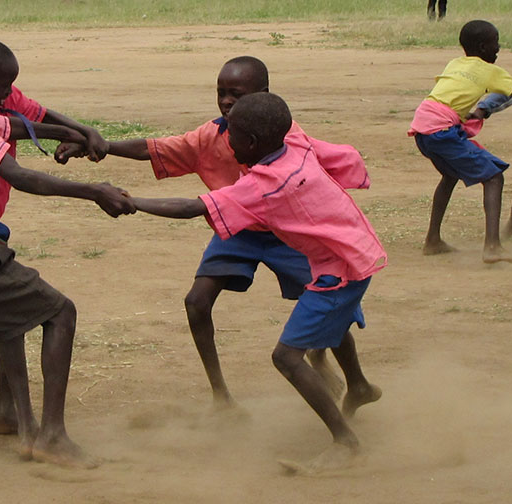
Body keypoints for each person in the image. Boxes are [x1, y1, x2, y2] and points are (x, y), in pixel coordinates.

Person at [56, 56, 371, 409]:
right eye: (220, 92)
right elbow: (158, 148)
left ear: (262, 95)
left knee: (327, 302)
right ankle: (221, 395)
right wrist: (102, 147)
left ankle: (357, 383)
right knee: (196, 302)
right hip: (238, 227)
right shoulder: (215, 133)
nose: (225, 101)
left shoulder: (285, 137)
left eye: (235, 93)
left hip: (289, 232)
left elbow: (196, 206)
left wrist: (133, 201)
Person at [128, 92, 386, 471]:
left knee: (286, 357)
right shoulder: (295, 146)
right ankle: (359, 388)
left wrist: (132, 202)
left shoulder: (264, 185)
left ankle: (346, 442)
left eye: (231, 135)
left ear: (249, 143)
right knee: (317, 334)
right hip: (353, 256)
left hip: (340, 273)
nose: (226, 142)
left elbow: (192, 207)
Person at [0, 25, 135, 466]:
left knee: (9, 318)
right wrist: (93, 191)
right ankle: (51, 435)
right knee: (59, 312)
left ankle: (10, 416)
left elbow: (14, 123)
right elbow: (20, 177)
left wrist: (67, 132)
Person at [409, 19, 512, 261]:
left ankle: (433, 240)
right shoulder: (490, 71)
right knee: (494, 177)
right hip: (441, 130)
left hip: (422, 127)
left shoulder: (455, 63)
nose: (499, 49)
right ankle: (492, 247)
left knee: (450, 175)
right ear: (482, 48)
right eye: (495, 44)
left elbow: (452, 94)